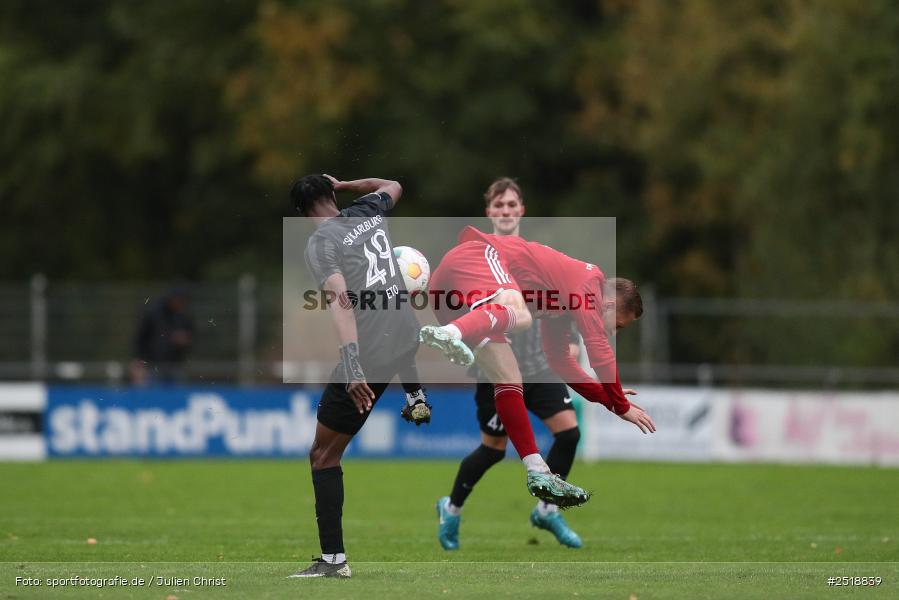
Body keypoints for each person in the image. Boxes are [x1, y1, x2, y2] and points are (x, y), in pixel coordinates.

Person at [421, 210, 656, 508]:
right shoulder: (587, 285)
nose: (615, 332)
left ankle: (536, 470)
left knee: (509, 375)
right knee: (520, 317)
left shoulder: (563, 303)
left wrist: (607, 398)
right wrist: (620, 406)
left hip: (452, 294)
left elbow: (560, 362)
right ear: (608, 304)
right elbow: (598, 350)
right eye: (618, 325)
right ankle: (452, 333)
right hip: (476, 256)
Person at [288, 174, 430, 579]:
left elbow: (341, 301)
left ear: (301, 213)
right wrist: (349, 184)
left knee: (322, 455)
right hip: (404, 334)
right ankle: (416, 396)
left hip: (369, 351)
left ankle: (334, 562)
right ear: (331, 194)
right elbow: (395, 183)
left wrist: (352, 367)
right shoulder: (368, 210)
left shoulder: (320, 243)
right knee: (329, 451)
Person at [436, 178, 587, 550]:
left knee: (569, 433)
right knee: (492, 450)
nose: (505, 211)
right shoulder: (481, 257)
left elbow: (560, 300)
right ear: (489, 212)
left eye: (511, 205)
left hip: (539, 365)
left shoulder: (532, 255)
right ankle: (451, 508)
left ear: (522, 210)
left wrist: (575, 340)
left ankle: (547, 510)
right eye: (498, 206)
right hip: (497, 371)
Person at [130, 287, 194, 386]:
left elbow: (191, 336)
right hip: (152, 365)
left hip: (175, 365)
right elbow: (140, 338)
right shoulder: (153, 314)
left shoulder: (184, 316)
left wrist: (185, 340)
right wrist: (139, 360)